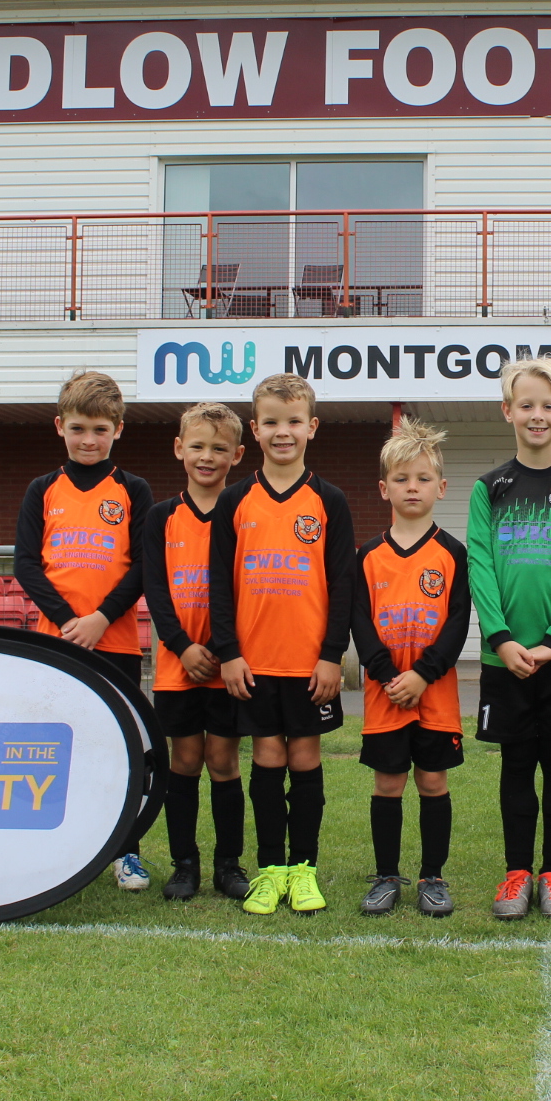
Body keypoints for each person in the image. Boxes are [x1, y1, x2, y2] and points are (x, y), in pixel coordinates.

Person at [209, 373, 355, 916]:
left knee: (305, 757)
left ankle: (304, 869)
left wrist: (331, 655)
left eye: (294, 421)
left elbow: (343, 583)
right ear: (255, 429)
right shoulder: (234, 500)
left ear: (312, 427)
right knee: (268, 758)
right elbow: (219, 585)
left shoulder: (329, 500)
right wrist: (229, 653)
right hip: (254, 663)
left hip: (309, 664)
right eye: (271, 421)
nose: (283, 431)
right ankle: (271, 869)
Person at [468, 355, 551, 920]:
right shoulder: (488, 488)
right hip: (505, 659)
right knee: (517, 767)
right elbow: (480, 565)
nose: (537, 415)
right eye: (526, 405)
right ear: (508, 411)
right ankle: (517, 873)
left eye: (548, 405)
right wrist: (501, 638)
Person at [14, 370, 155, 891]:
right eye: (78, 428)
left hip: (115, 641)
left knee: (118, 747)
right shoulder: (42, 490)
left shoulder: (133, 490)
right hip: (54, 641)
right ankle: (58, 847)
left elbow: (143, 565)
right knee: (54, 745)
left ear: (118, 430)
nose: (88, 440)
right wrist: (68, 620)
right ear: (60, 427)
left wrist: (100, 619)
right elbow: (26, 564)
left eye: (100, 429)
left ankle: (126, 851)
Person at [351, 419, 470, 918]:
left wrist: (423, 674)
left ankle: (432, 877)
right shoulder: (368, 556)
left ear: (441, 487)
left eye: (423, 478)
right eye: (401, 479)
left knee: (433, 783)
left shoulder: (453, 553)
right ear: (385, 489)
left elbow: (458, 622)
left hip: (434, 692)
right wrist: (386, 675)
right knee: (388, 784)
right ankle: (386, 876)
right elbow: (360, 622)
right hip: (386, 694)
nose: (412, 487)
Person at [141, 401, 252, 902]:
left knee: (223, 760)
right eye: (198, 446)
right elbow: (156, 590)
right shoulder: (161, 517)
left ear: (237, 455)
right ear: (179, 448)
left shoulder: (243, 514)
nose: (207, 457)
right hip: (178, 665)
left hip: (229, 665)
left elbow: (249, 591)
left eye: (219, 449)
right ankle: (184, 865)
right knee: (184, 759)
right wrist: (182, 646)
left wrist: (227, 651)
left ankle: (229, 864)